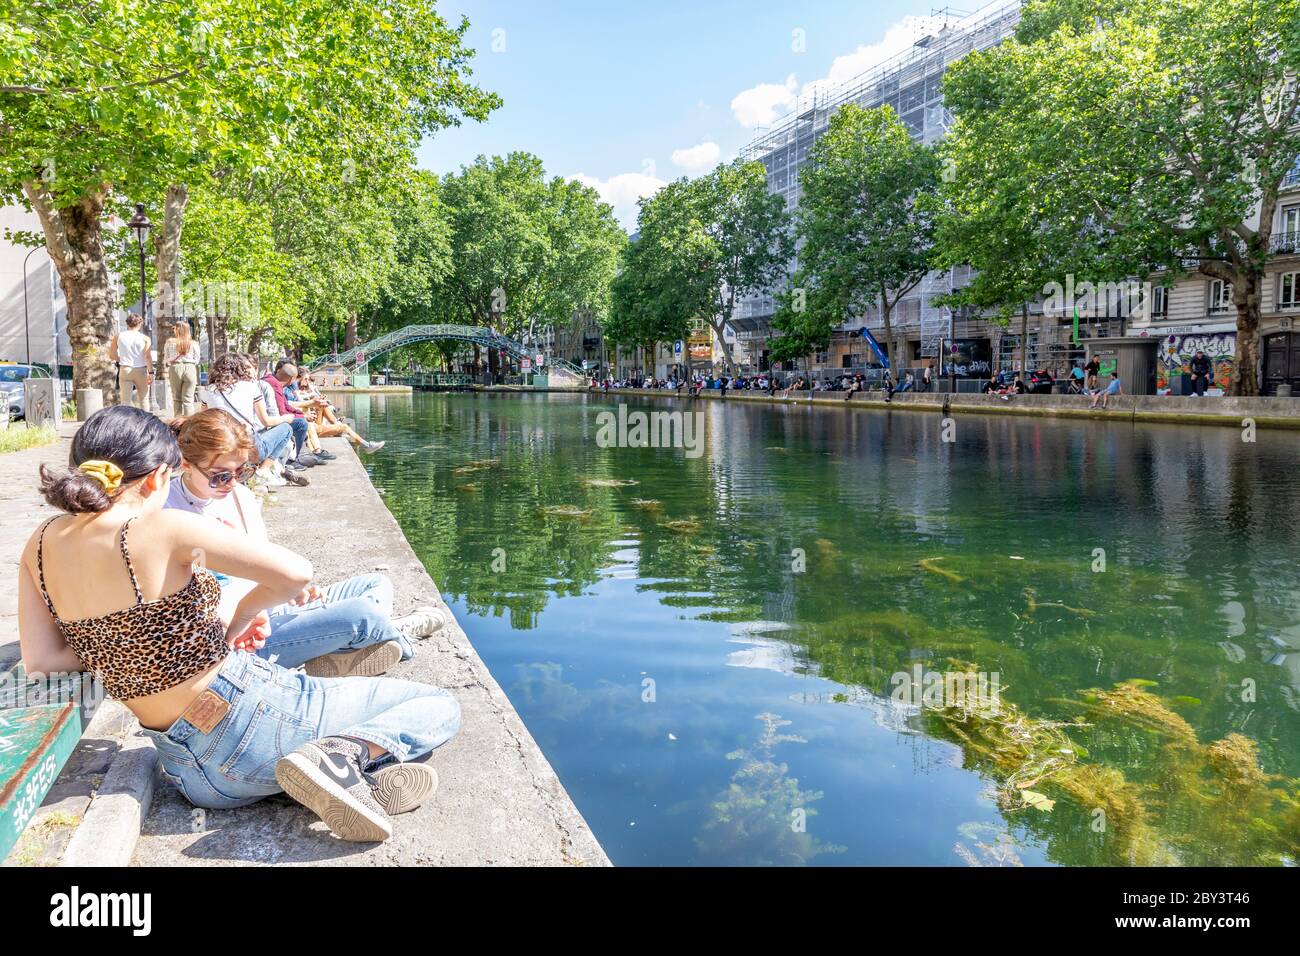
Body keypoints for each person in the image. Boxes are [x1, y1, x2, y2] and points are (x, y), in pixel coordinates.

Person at [19, 406, 460, 841]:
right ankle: (343, 759)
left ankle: (342, 779)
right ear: (156, 477)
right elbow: (295, 573)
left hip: (197, 778)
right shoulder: (163, 527)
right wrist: (243, 615)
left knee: (323, 732)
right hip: (250, 713)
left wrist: (121, 640)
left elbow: (41, 660)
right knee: (437, 705)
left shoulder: (38, 546)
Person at [166, 410, 451, 676]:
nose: (231, 483)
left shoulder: (240, 497)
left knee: (377, 584)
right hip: (244, 632)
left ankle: (355, 643)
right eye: (220, 476)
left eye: (241, 472)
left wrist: (288, 588)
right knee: (361, 614)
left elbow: (263, 558)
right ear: (186, 464)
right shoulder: (168, 514)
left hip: (272, 606)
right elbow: (187, 608)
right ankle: (400, 635)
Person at [201, 353, 307, 487]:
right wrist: (285, 418)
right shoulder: (251, 387)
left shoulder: (207, 390)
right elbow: (266, 421)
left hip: (221, 446)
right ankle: (263, 471)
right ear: (240, 368)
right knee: (286, 429)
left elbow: (204, 420)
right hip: (248, 446)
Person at [108, 315, 152, 410]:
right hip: (141, 369)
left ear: (127, 323)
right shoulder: (145, 338)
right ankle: (146, 423)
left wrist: (121, 359)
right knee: (144, 399)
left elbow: (111, 354)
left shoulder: (118, 336)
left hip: (125, 369)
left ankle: (126, 423)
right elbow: (147, 357)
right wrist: (151, 372)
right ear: (140, 324)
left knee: (125, 401)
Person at [163, 321, 202, 416]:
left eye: (174, 329)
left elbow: (167, 359)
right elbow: (197, 359)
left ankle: (178, 422)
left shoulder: (170, 342)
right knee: (188, 400)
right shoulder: (193, 343)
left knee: (177, 399)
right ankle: (189, 424)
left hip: (176, 368)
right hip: (190, 368)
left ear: (177, 330)